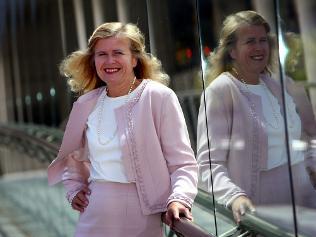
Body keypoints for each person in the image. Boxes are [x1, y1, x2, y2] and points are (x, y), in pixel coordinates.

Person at [47, 22, 198, 237]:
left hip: (142, 214)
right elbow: (73, 158)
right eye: (102, 54)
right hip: (93, 211)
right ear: (93, 60)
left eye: (118, 52)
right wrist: (73, 189)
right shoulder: (85, 104)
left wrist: (180, 198)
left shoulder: (159, 97)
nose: (110, 61)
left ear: (134, 59)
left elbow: (182, 163)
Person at [197, 10, 316, 224]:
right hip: (262, 205)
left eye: (263, 40)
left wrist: (313, 165)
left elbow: (305, 138)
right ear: (232, 51)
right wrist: (235, 197)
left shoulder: (281, 85)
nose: (259, 47)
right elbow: (209, 164)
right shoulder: (220, 91)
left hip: (306, 193)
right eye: (250, 41)